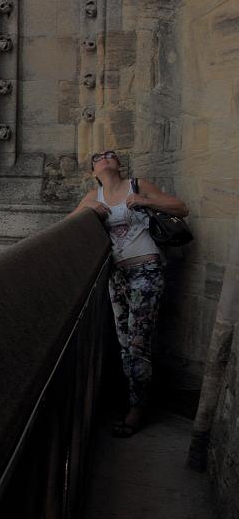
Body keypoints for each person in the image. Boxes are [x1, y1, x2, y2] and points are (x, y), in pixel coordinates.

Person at [71, 150, 189, 437]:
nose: (107, 158)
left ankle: (137, 409)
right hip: (118, 276)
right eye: (100, 157)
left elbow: (181, 207)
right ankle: (133, 400)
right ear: (93, 171)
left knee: (137, 341)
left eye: (112, 155)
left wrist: (145, 201)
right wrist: (89, 212)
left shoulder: (136, 185)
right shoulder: (93, 197)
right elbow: (69, 226)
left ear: (119, 165)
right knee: (125, 341)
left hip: (147, 269)